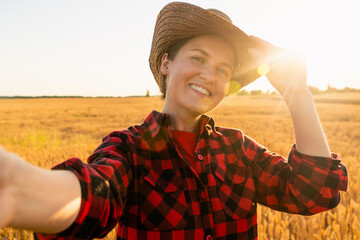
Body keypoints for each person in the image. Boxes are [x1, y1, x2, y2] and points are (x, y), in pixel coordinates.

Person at [0, 2, 348, 240]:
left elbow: (313, 193)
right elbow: (97, 193)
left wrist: (298, 95)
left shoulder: (238, 149)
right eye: (198, 57)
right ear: (166, 62)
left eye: (223, 70)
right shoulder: (129, 149)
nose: (210, 75)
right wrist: (21, 188)